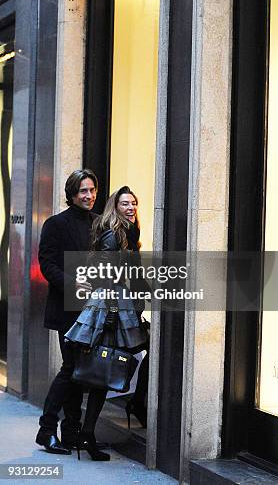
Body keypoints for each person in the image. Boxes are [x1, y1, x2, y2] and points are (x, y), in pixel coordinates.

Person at [64, 186, 149, 461]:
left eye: (134, 203)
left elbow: (133, 275)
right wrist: (114, 312)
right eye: (125, 203)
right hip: (110, 306)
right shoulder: (114, 235)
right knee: (102, 370)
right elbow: (105, 276)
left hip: (115, 304)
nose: (131, 207)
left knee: (104, 370)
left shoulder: (128, 233)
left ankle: (89, 430)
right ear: (116, 207)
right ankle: (86, 433)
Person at [35, 169, 98, 454]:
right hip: (67, 310)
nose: (89, 196)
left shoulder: (99, 224)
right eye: (83, 191)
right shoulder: (56, 224)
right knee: (71, 367)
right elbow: (46, 264)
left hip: (94, 311)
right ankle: (46, 429)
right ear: (72, 194)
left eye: (92, 190)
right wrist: (71, 283)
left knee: (81, 372)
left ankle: (70, 431)